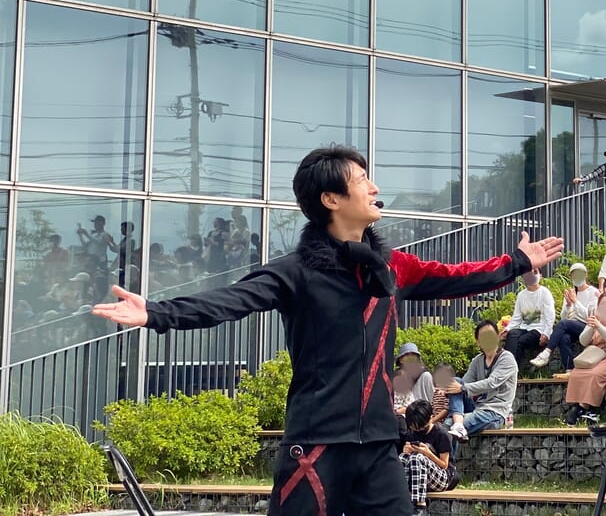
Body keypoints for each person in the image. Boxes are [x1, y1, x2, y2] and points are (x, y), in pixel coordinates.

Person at [92, 146, 560, 516]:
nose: (375, 187)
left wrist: (516, 263)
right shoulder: (296, 272)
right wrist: (156, 313)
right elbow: (229, 301)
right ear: (331, 199)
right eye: (362, 180)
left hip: (379, 442)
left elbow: (455, 276)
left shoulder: (392, 267)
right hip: (316, 442)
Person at [448, 321, 519, 440]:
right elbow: (464, 382)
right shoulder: (477, 360)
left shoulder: (507, 358)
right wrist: (448, 388)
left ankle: (457, 426)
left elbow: (491, 383)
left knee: (447, 425)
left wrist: (462, 388)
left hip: (495, 412)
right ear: (478, 342)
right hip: (476, 407)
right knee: (456, 381)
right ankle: (458, 423)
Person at [564, 291, 606, 425]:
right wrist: (592, 327)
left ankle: (583, 407)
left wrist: (600, 327)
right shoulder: (595, 318)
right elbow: (583, 341)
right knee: (576, 373)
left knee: (595, 374)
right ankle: (578, 406)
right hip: (593, 356)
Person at [532, 262, 598, 369]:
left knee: (563, 324)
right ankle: (569, 368)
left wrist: (576, 302)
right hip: (571, 327)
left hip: (587, 327)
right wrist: (567, 305)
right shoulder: (571, 292)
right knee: (563, 337)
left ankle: (547, 352)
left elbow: (589, 316)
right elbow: (564, 317)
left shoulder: (593, 292)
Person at [399, 400, 457, 504]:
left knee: (416, 457)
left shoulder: (441, 433)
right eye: (415, 428)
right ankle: (402, 501)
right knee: (402, 457)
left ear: (430, 418)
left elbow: (444, 465)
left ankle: (420, 505)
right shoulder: (412, 432)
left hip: (443, 478)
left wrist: (428, 453)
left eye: (422, 427)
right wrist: (406, 450)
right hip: (419, 477)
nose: (419, 430)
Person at [503, 268, 555, 366]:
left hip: (539, 330)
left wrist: (546, 333)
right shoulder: (521, 295)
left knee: (522, 341)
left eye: (535, 272)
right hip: (525, 327)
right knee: (512, 334)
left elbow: (550, 315)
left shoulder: (545, 293)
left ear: (540, 275)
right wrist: (507, 329)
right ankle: (508, 368)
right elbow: (516, 317)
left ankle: (512, 370)